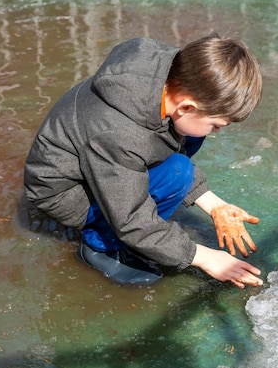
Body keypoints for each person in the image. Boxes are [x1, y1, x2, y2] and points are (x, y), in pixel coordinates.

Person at [24, 34, 263, 288]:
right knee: (178, 171)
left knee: (191, 136)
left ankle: (145, 191)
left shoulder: (168, 72)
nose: (216, 132)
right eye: (216, 125)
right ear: (186, 107)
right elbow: (131, 218)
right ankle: (101, 246)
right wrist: (203, 257)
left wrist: (215, 206)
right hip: (64, 193)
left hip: (106, 162)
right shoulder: (119, 135)